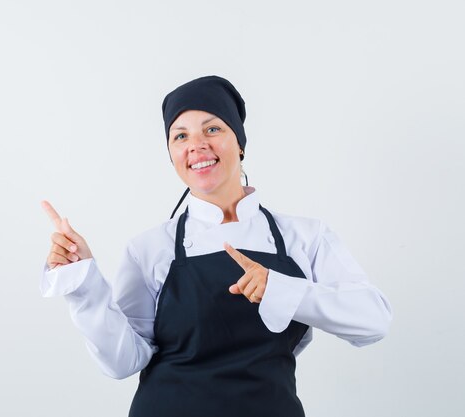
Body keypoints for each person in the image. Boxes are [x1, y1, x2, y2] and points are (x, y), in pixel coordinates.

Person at [40, 75, 393, 417]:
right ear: (172, 154)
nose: (197, 146)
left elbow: (373, 320)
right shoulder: (149, 248)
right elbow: (122, 363)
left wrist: (281, 290)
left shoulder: (306, 237)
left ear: (239, 142)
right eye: (180, 136)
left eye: (212, 129)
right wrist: (85, 284)